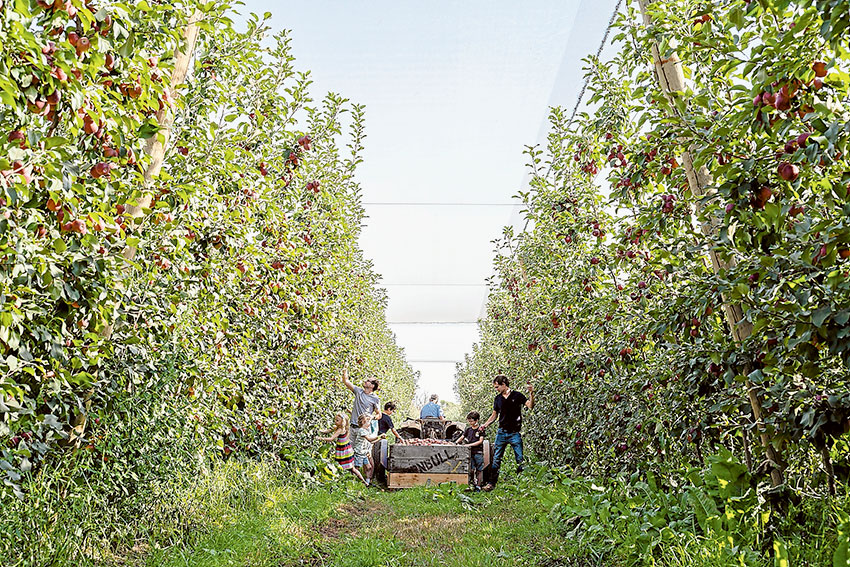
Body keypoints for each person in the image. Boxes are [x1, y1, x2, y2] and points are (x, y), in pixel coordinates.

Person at [480, 375, 535, 491]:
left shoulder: (517, 395)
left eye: (497, 387)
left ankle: (523, 484)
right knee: (496, 458)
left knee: (520, 458)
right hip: (501, 433)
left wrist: (531, 394)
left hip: (515, 433)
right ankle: (491, 484)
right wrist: (485, 424)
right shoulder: (498, 399)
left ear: (504, 384)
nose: (496, 389)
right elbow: (494, 415)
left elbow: (530, 406)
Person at [316, 412, 367, 484]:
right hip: (345, 449)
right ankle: (359, 481)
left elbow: (331, 438)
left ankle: (362, 482)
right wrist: (320, 431)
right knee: (350, 468)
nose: (335, 422)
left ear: (342, 422)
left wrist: (320, 438)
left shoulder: (340, 430)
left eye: (337, 420)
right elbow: (327, 431)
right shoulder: (338, 427)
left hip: (344, 451)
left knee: (347, 468)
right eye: (335, 420)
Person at [341, 367, 381, 450]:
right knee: (349, 451)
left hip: (363, 430)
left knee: (362, 453)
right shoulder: (358, 391)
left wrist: (372, 417)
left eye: (368, 381)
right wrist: (344, 371)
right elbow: (346, 381)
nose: (365, 381)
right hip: (353, 427)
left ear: (372, 386)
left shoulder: (375, 399)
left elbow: (379, 414)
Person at [351, 414, 384, 486]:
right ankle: (352, 483)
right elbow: (369, 439)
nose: (370, 423)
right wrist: (379, 436)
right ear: (363, 422)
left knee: (369, 467)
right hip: (359, 453)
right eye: (368, 421)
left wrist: (380, 439)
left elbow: (371, 442)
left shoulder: (366, 431)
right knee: (356, 468)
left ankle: (367, 482)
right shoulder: (362, 430)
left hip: (364, 453)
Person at [458, 411, 485, 490]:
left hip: (478, 452)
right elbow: (462, 437)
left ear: (476, 421)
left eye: (471, 421)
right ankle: (472, 484)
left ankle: (478, 486)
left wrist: (469, 445)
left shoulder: (480, 430)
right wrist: (455, 443)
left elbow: (480, 441)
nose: (470, 423)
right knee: (471, 469)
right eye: (469, 421)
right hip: (470, 453)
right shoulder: (468, 430)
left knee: (479, 469)